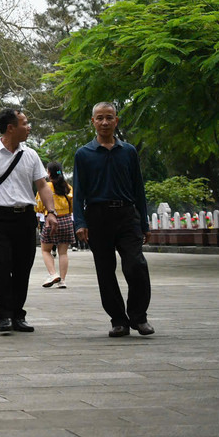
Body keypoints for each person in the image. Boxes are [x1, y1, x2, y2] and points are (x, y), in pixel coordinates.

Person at [0, 108, 56, 334]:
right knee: (1, 266)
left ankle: (18, 314)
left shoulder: (30, 155)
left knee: (22, 267)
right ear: (11, 127)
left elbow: (42, 185)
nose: (28, 127)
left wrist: (51, 212)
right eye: (25, 123)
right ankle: (4, 316)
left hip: (25, 217)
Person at [73, 102, 153, 337]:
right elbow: (78, 192)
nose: (105, 122)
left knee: (136, 264)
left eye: (109, 118)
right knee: (105, 271)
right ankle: (118, 320)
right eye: (100, 118)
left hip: (127, 215)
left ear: (116, 121)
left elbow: (139, 189)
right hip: (98, 217)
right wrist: (80, 223)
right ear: (93, 122)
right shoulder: (84, 154)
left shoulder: (128, 151)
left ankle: (139, 317)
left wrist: (144, 223)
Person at [38, 161, 74, 289]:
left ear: (48, 172)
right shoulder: (68, 187)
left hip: (50, 220)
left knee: (45, 250)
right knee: (63, 253)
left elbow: (39, 206)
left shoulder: (46, 187)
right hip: (66, 220)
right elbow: (73, 206)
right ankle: (62, 281)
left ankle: (53, 274)